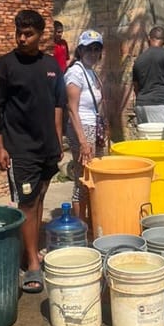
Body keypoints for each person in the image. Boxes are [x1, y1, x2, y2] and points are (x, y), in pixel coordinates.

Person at [0, 9, 65, 294]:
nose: (21, 38)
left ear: (41, 35)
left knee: (40, 197)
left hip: (47, 147)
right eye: (19, 33)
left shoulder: (51, 65)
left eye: (28, 34)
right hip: (20, 148)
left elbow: (58, 105)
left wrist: (58, 141)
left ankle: (27, 251)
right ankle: (32, 263)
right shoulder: (4, 66)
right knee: (27, 204)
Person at [65, 30, 106, 222]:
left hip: (93, 128)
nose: (93, 53)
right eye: (89, 49)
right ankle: (80, 225)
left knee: (93, 178)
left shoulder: (90, 72)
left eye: (97, 49)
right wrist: (83, 141)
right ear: (80, 50)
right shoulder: (75, 72)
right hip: (82, 128)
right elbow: (72, 109)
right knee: (83, 179)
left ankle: (90, 221)